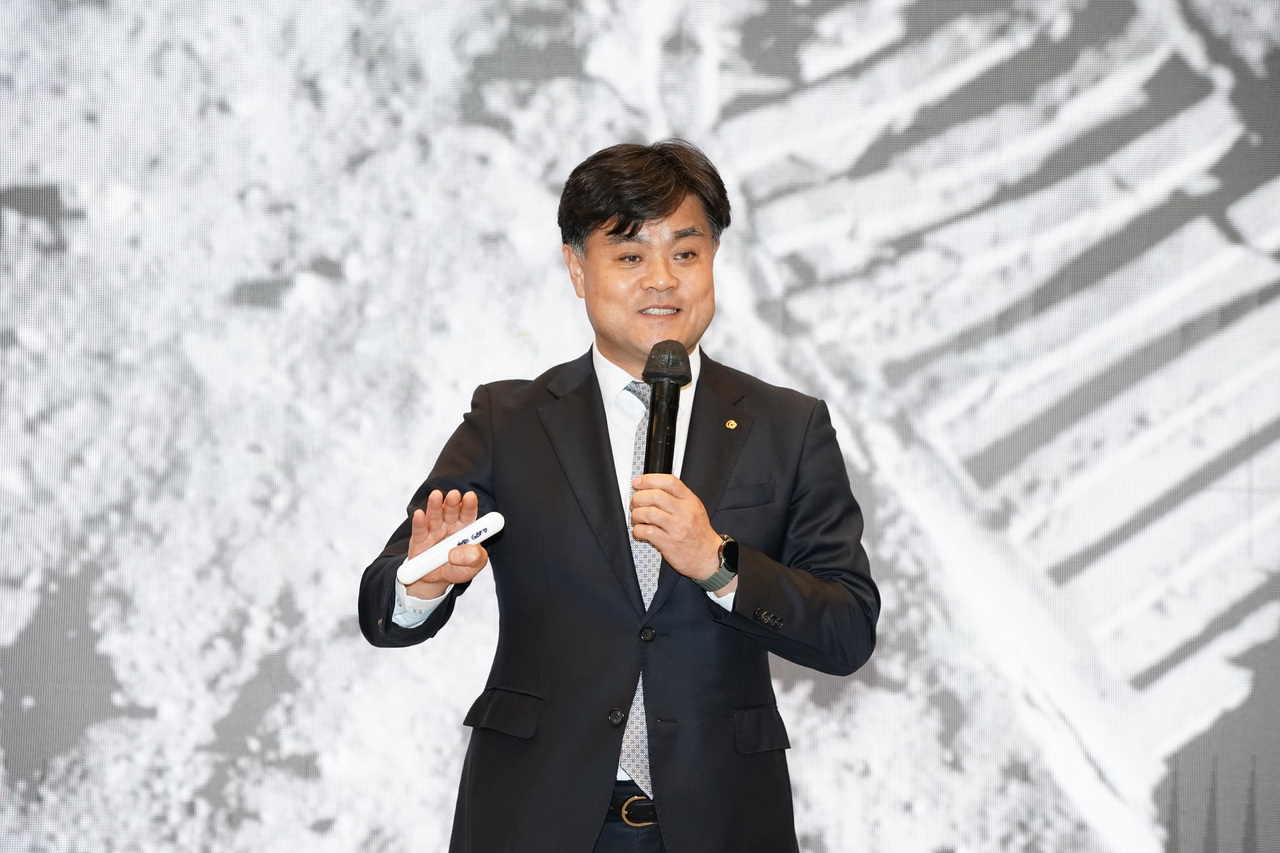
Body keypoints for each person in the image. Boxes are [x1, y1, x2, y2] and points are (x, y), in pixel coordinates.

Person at [358, 139, 879, 853]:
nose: (662, 280)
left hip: (721, 824)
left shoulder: (788, 426)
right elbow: (384, 608)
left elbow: (847, 629)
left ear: (714, 261)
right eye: (631, 256)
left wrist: (720, 563)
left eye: (686, 254)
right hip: (536, 819)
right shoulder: (509, 420)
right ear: (578, 268)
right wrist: (421, 579)